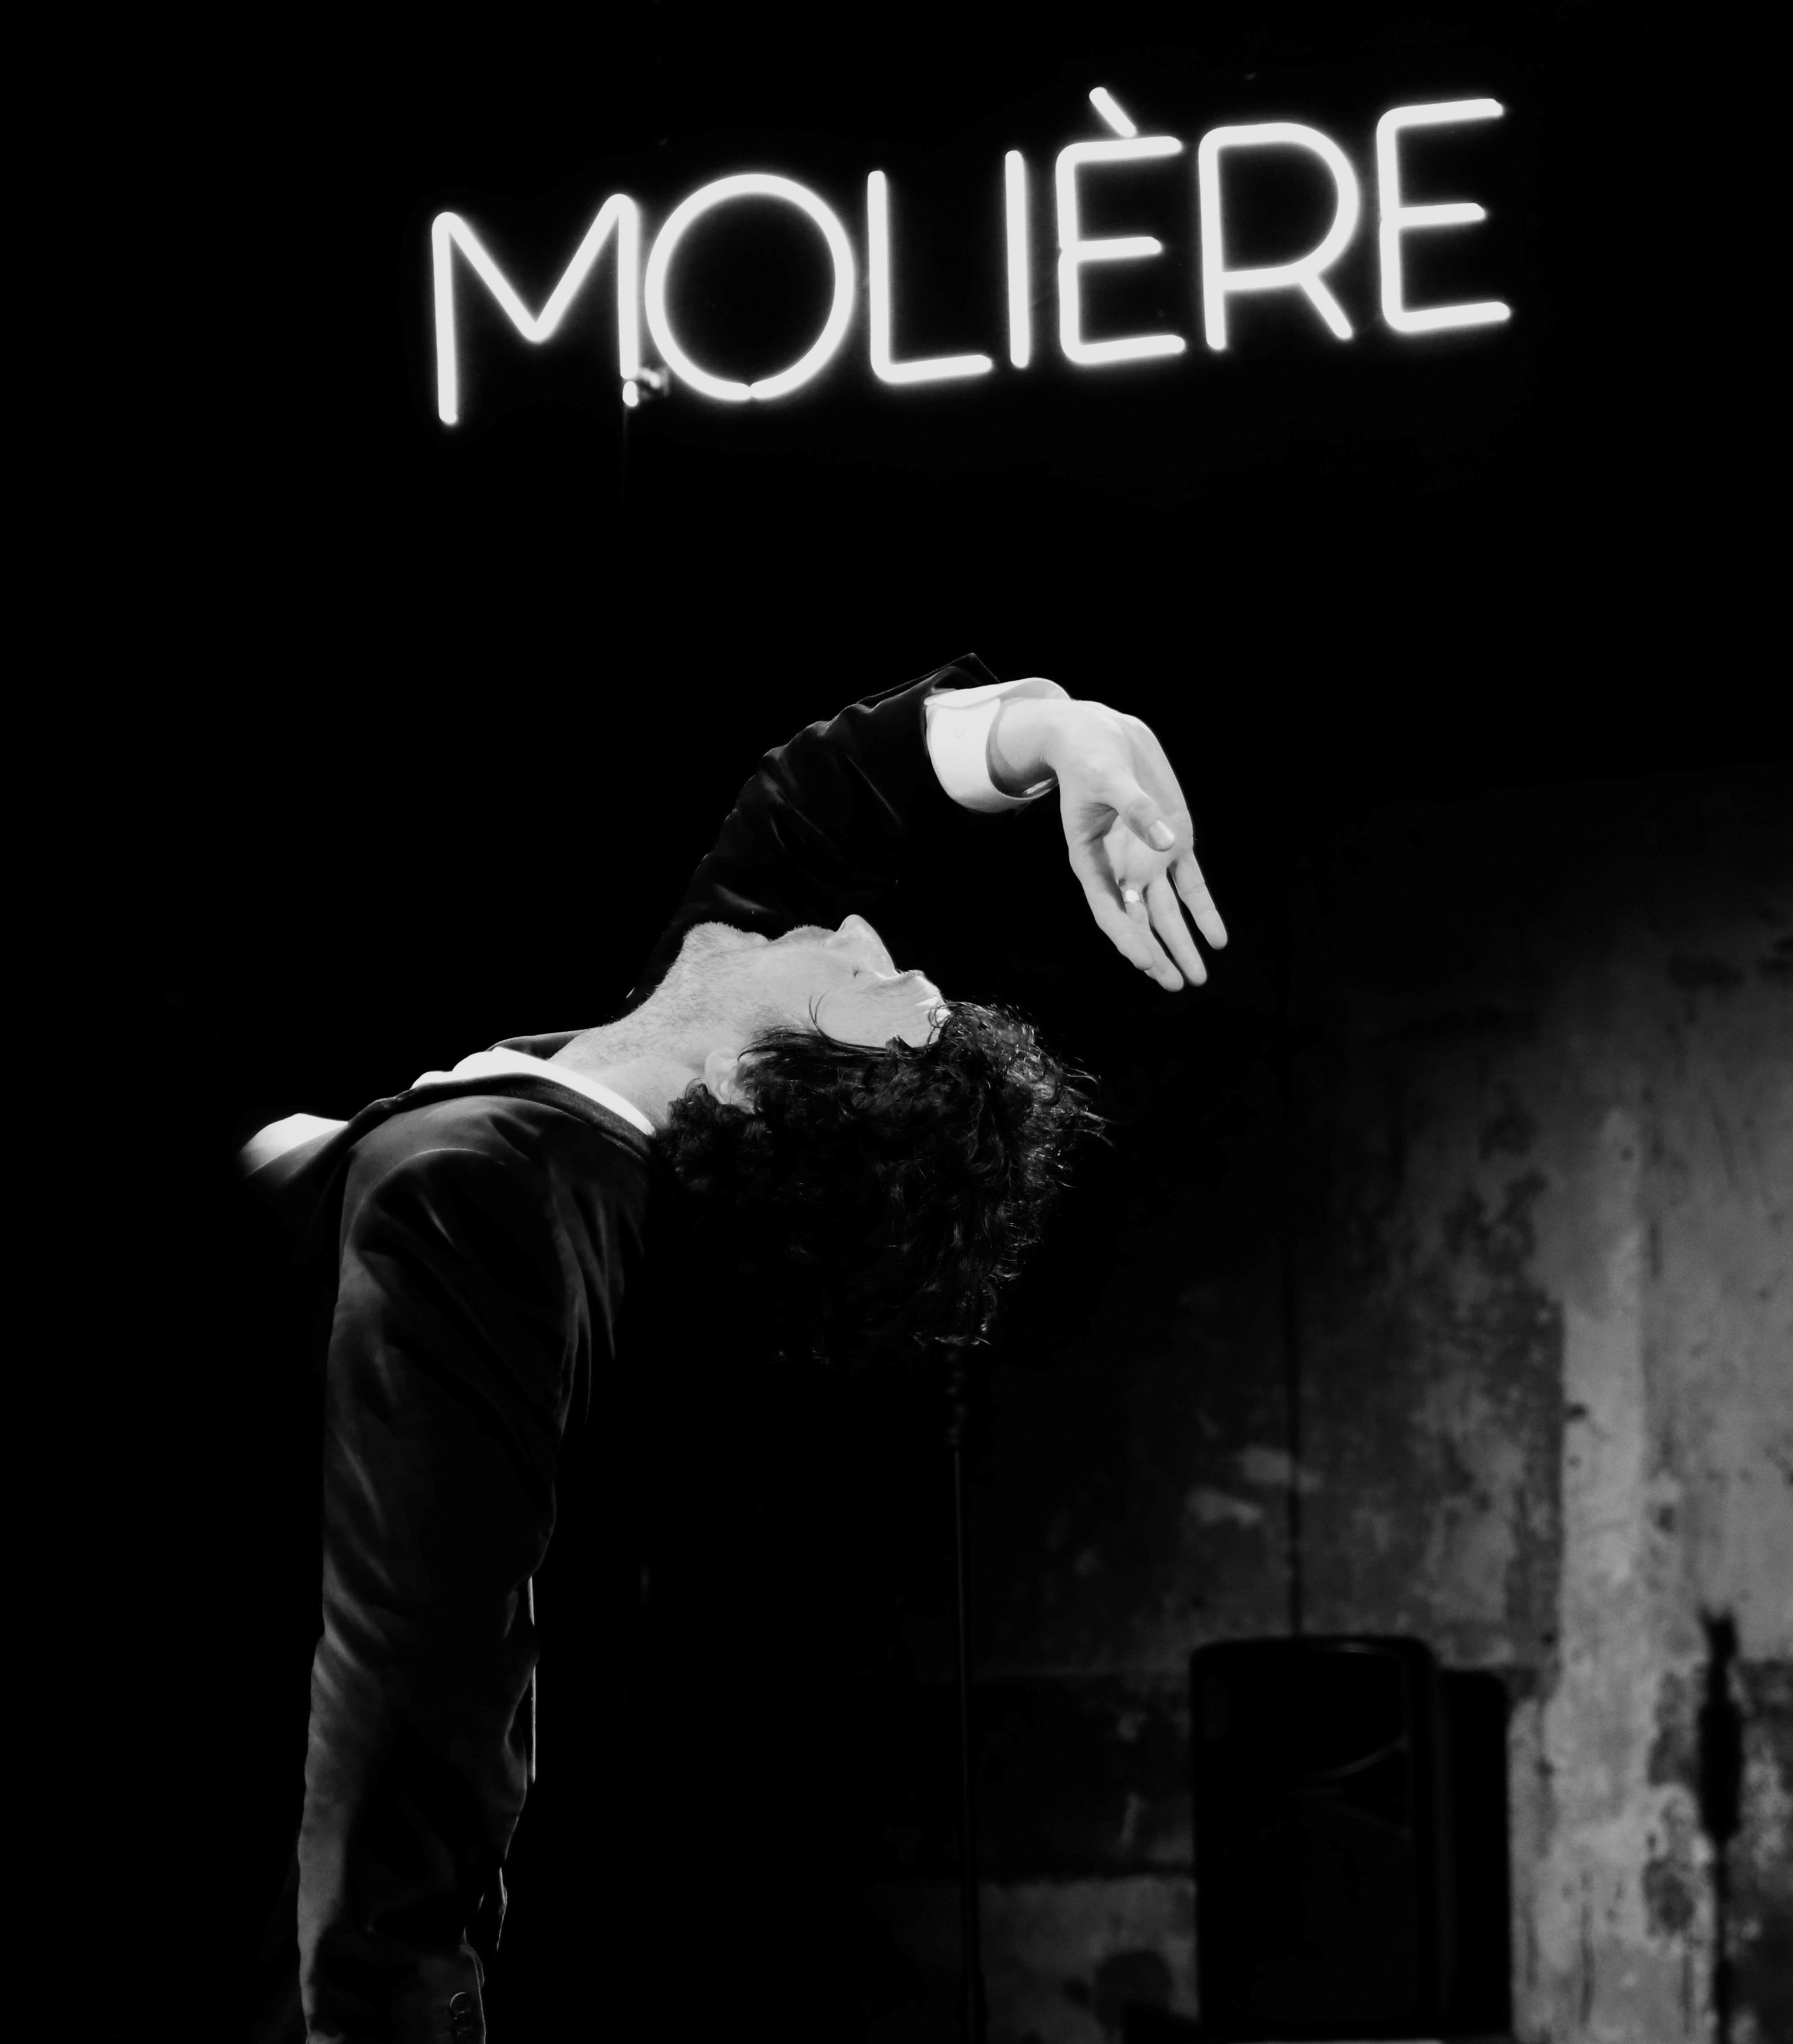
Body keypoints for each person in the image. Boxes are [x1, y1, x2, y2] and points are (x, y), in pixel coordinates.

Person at [243, 657, 1225, 2042]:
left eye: (870, 980)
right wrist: (1056, 731)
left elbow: (422, 1689)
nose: (861, 929)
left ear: (758, 1084)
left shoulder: (495, 1205)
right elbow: (812, 807)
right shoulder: (639, 1093)